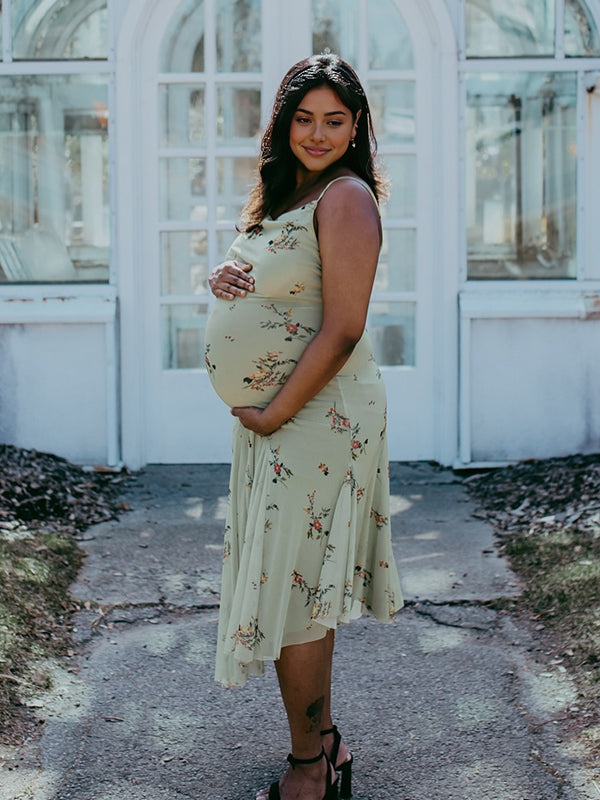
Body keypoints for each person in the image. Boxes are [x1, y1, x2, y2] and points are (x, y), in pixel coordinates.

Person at [205, 53, 403, 800]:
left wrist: (275, 412)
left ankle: (308, 768)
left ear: (357, 128)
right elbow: (283, 288)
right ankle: (324, 744)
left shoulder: (347, 198)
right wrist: (224, 279)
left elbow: (344, 326)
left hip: (317, 416)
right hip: (281, 417)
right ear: (283, 125)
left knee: (295, 591)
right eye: (304, 119)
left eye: (334, 120)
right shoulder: (291, 192)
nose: (317, 134)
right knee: (297, 582)